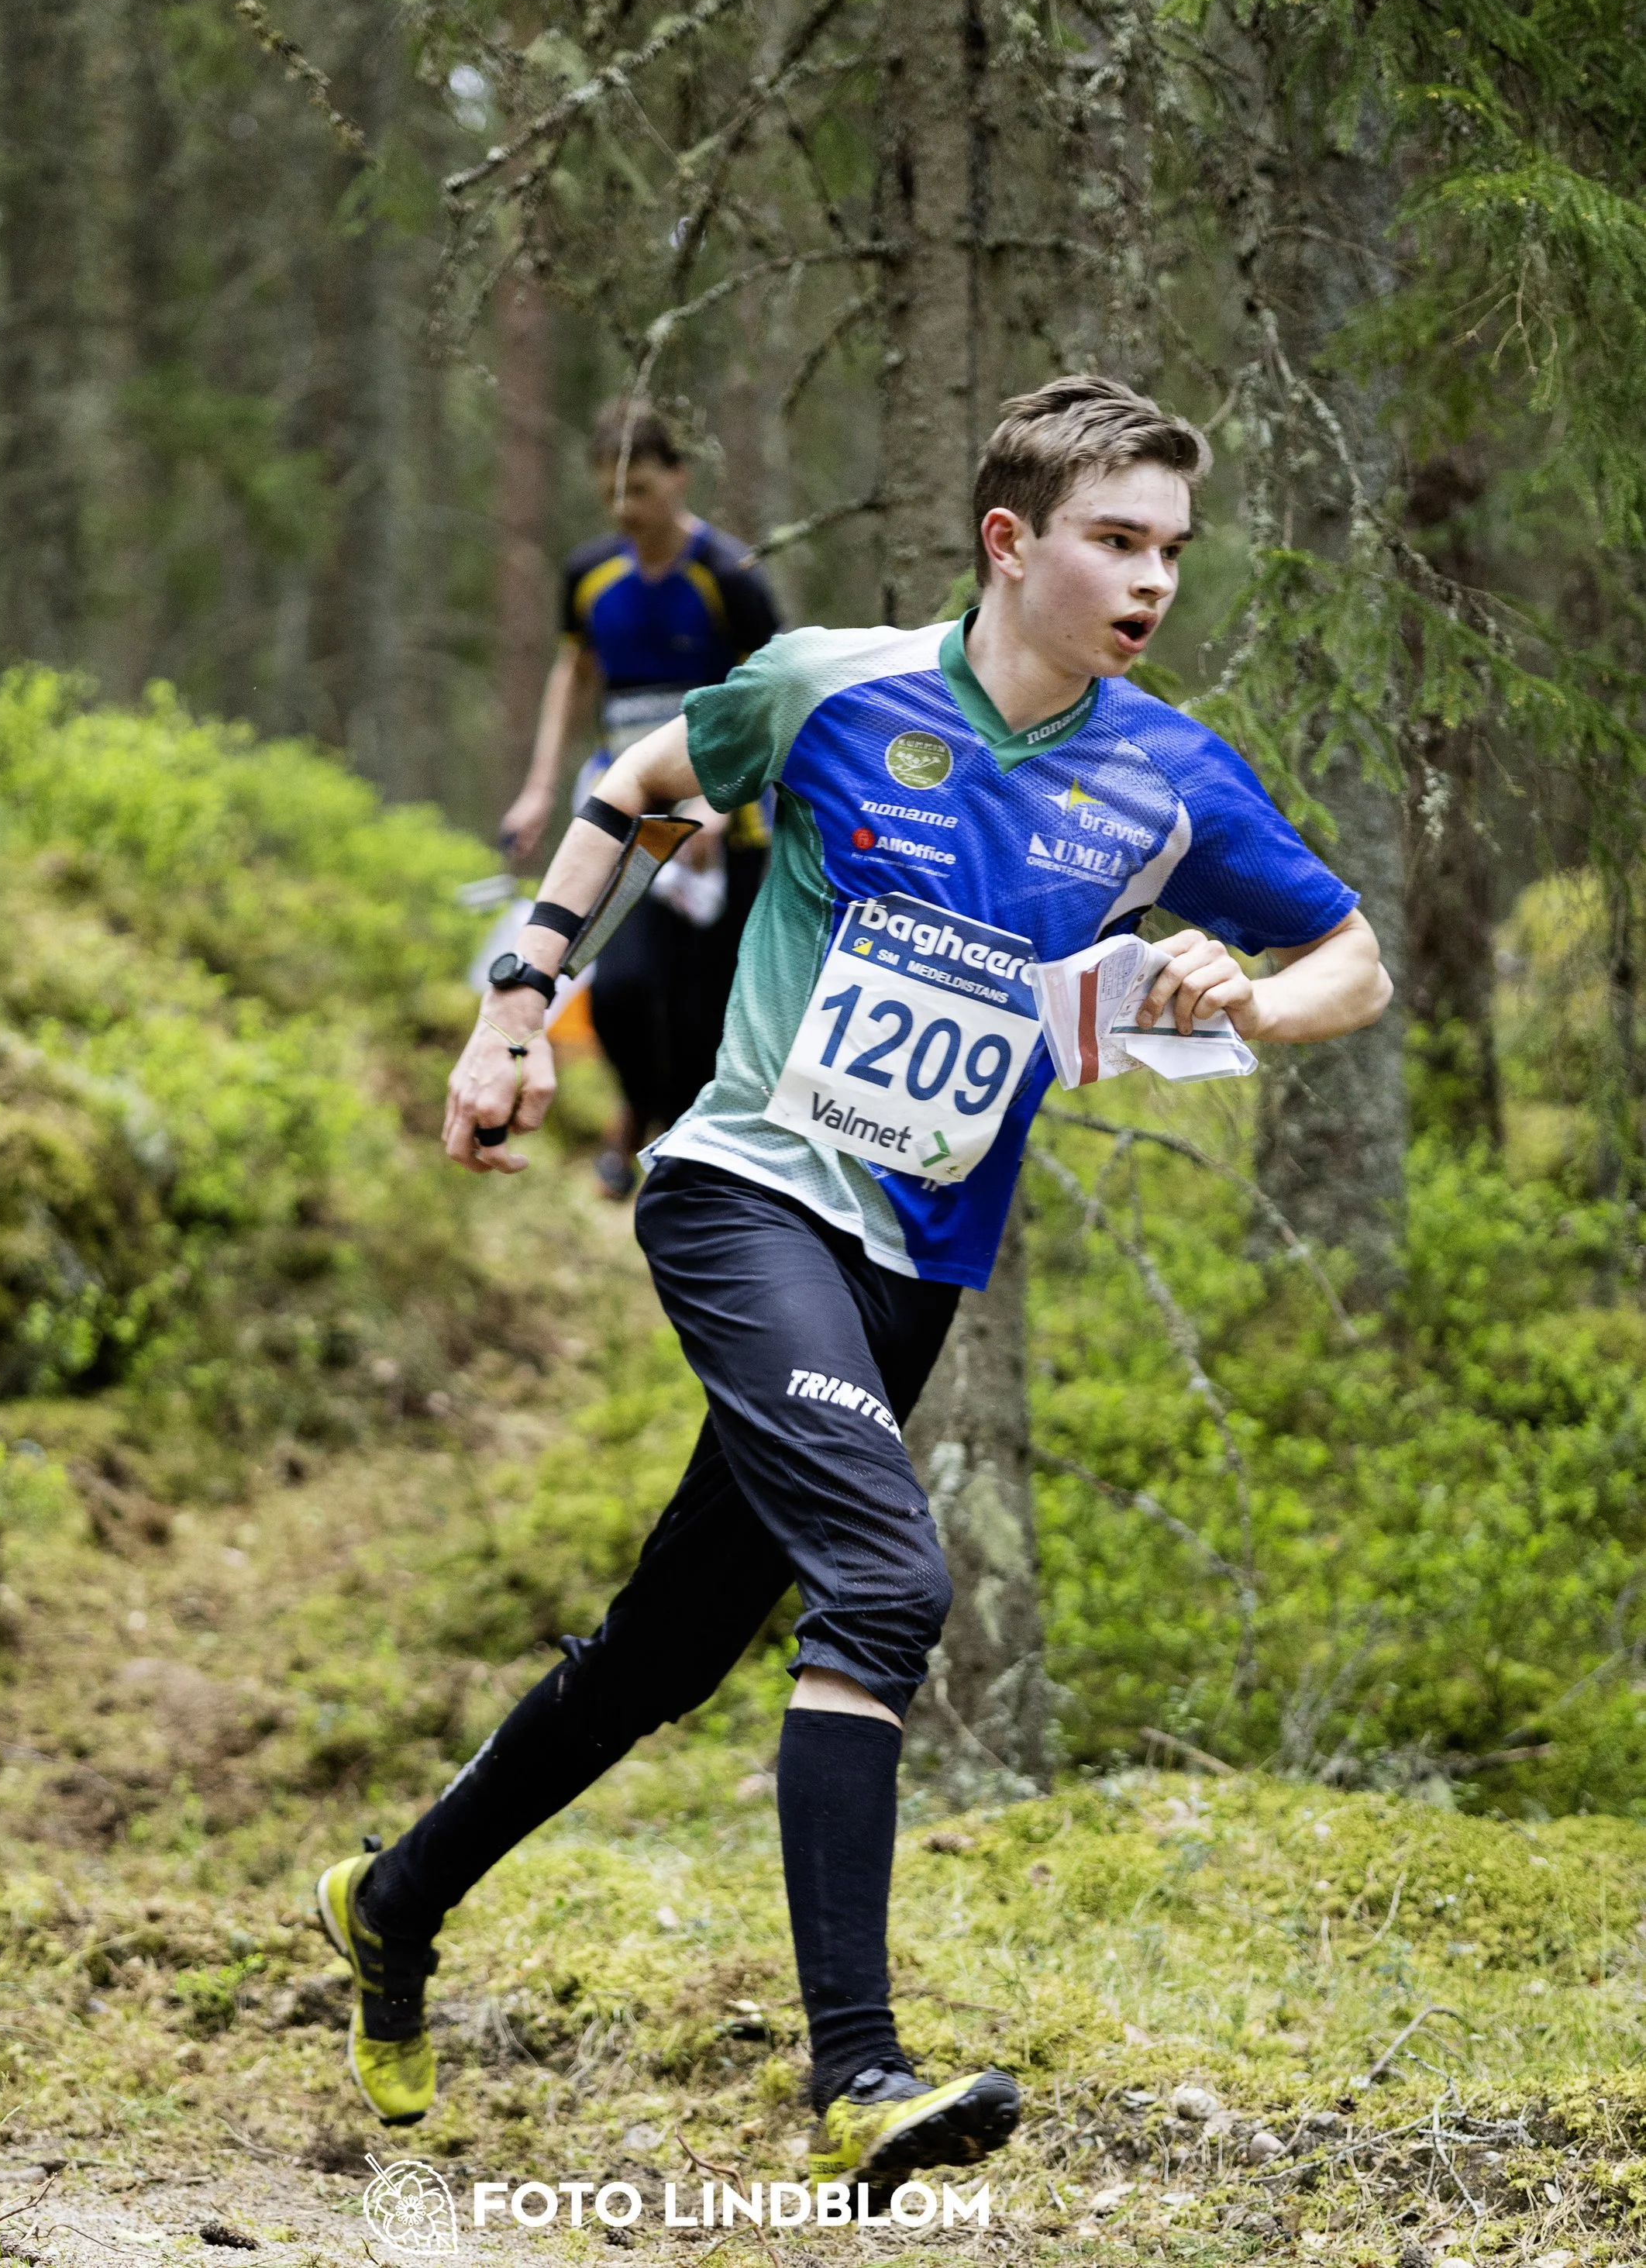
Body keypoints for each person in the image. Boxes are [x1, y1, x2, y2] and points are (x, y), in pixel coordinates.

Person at [315, 376, 1392, 2187]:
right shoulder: (830, 687)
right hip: (747, 1192)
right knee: (885, 1582)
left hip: (914, 1265)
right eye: (1115, 541)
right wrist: (515, 1007)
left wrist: (1254, 996)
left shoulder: (1166, 775)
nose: (1151, 581)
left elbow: (1351, 954)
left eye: (1171, 551)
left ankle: (391, 1897)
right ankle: (856, 2072)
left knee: (664, 1650)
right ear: (1009, 542)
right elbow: (637, 791)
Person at [500, 402, 781, 1194]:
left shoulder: (728, 575)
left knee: (698, 1007)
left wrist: (716, 805)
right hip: (626, 815)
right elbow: (573, 670)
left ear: (678, 478)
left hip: (725, 826)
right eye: (610, 493)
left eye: (640, 490)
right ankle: (634, 1111)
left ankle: (682, 1163)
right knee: (619, 988)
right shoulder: (590, 575)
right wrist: (538, 788)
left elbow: (774, 694)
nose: (624, 508)